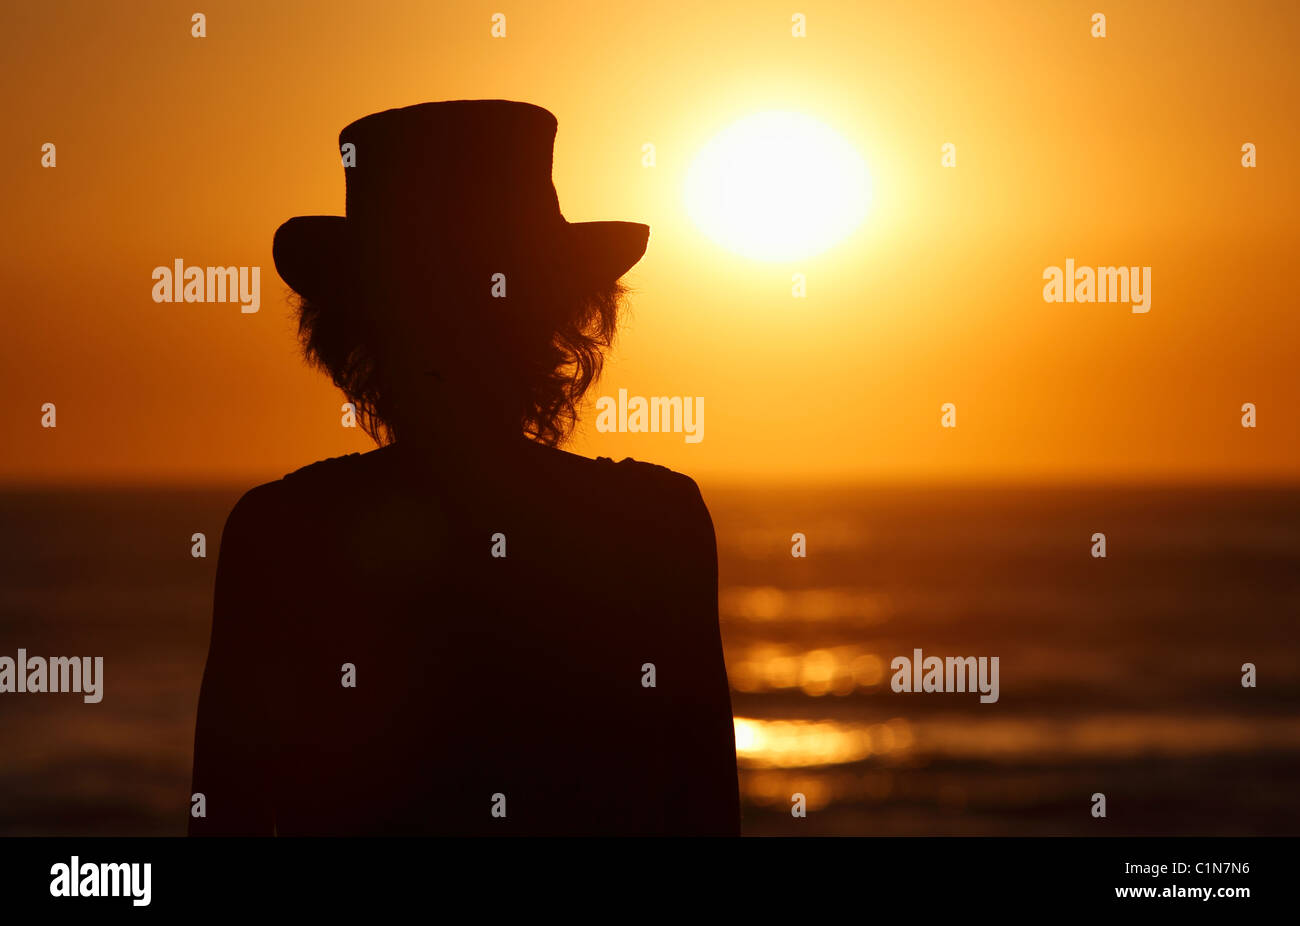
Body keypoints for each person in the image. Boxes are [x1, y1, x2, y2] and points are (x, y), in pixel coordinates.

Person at [188, 100, 740, 835]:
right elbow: (702, 811)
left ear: (357, 330)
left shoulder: (282, 530)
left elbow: (228, 815)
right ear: (564, 319)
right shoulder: (652, 522)